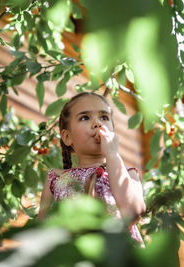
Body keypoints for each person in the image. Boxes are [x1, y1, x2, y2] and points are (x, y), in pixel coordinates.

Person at [38, 92, 146, 246]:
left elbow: (133, 212)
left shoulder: (128, 173)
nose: (97, 123)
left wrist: (112, 153)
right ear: (67, 137)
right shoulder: (55, 179)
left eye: (104, 117)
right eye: (85, 117)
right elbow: (41, 232)